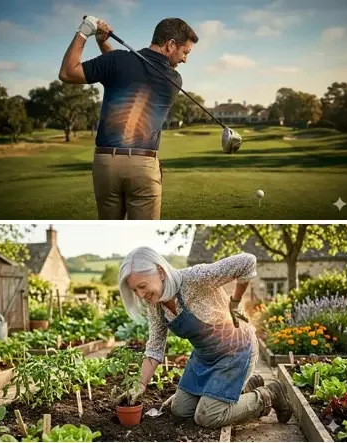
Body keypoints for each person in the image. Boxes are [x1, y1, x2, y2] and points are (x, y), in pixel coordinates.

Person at [116, 247, 292, 429]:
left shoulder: (195, 278)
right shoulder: (156, 307)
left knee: (208, 416)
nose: (140, 295)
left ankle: (270, 394)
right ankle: (247, 386)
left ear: (160, 272)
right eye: (135, 290)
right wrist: (139, 385)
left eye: (142, 286)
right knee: (180, 409)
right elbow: (154, 349)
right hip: (204, 357)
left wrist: (235, 302)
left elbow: (247, 261)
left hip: (236, 350)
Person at [59, 17, 199, 220]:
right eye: (185, 52)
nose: (184, 59)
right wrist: (103, 43)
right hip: (143, 165)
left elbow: (68, 72)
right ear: (170, 44)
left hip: (106, 165)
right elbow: (127, 71)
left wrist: (85, 32)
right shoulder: (173, 79)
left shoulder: (117, 61)